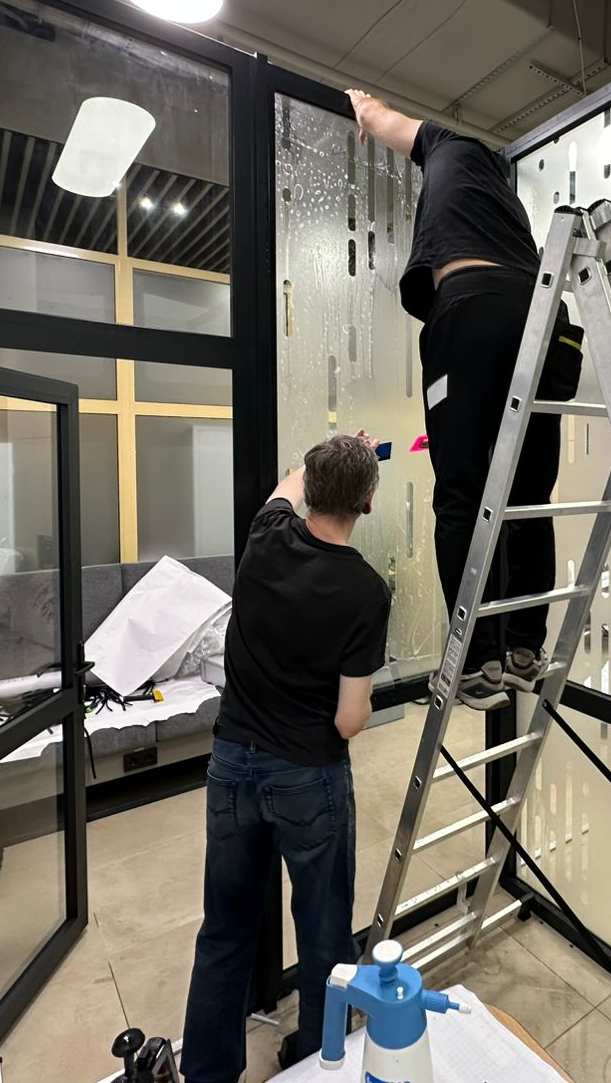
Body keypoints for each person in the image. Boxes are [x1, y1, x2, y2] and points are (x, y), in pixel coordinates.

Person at [180, 432, 391, 1083]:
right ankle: (316, 1062)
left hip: (232, 767)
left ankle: (209, 1073)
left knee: (224, 931)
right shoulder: (365, 591)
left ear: (311, 491)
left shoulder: (266, 537)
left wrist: (335, 452)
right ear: (368, 503)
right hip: (307, 777)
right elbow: (349, 720)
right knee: (325, 936)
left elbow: (288, 485)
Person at [347, 89, 563, 710]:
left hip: (471, 312)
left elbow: (387, 120)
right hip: (541, 318)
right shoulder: (508, 206)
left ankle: (476, 659)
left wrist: (362, 106)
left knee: (461, 493)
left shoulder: (447, 144)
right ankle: (524, 647)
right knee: (528, 494)